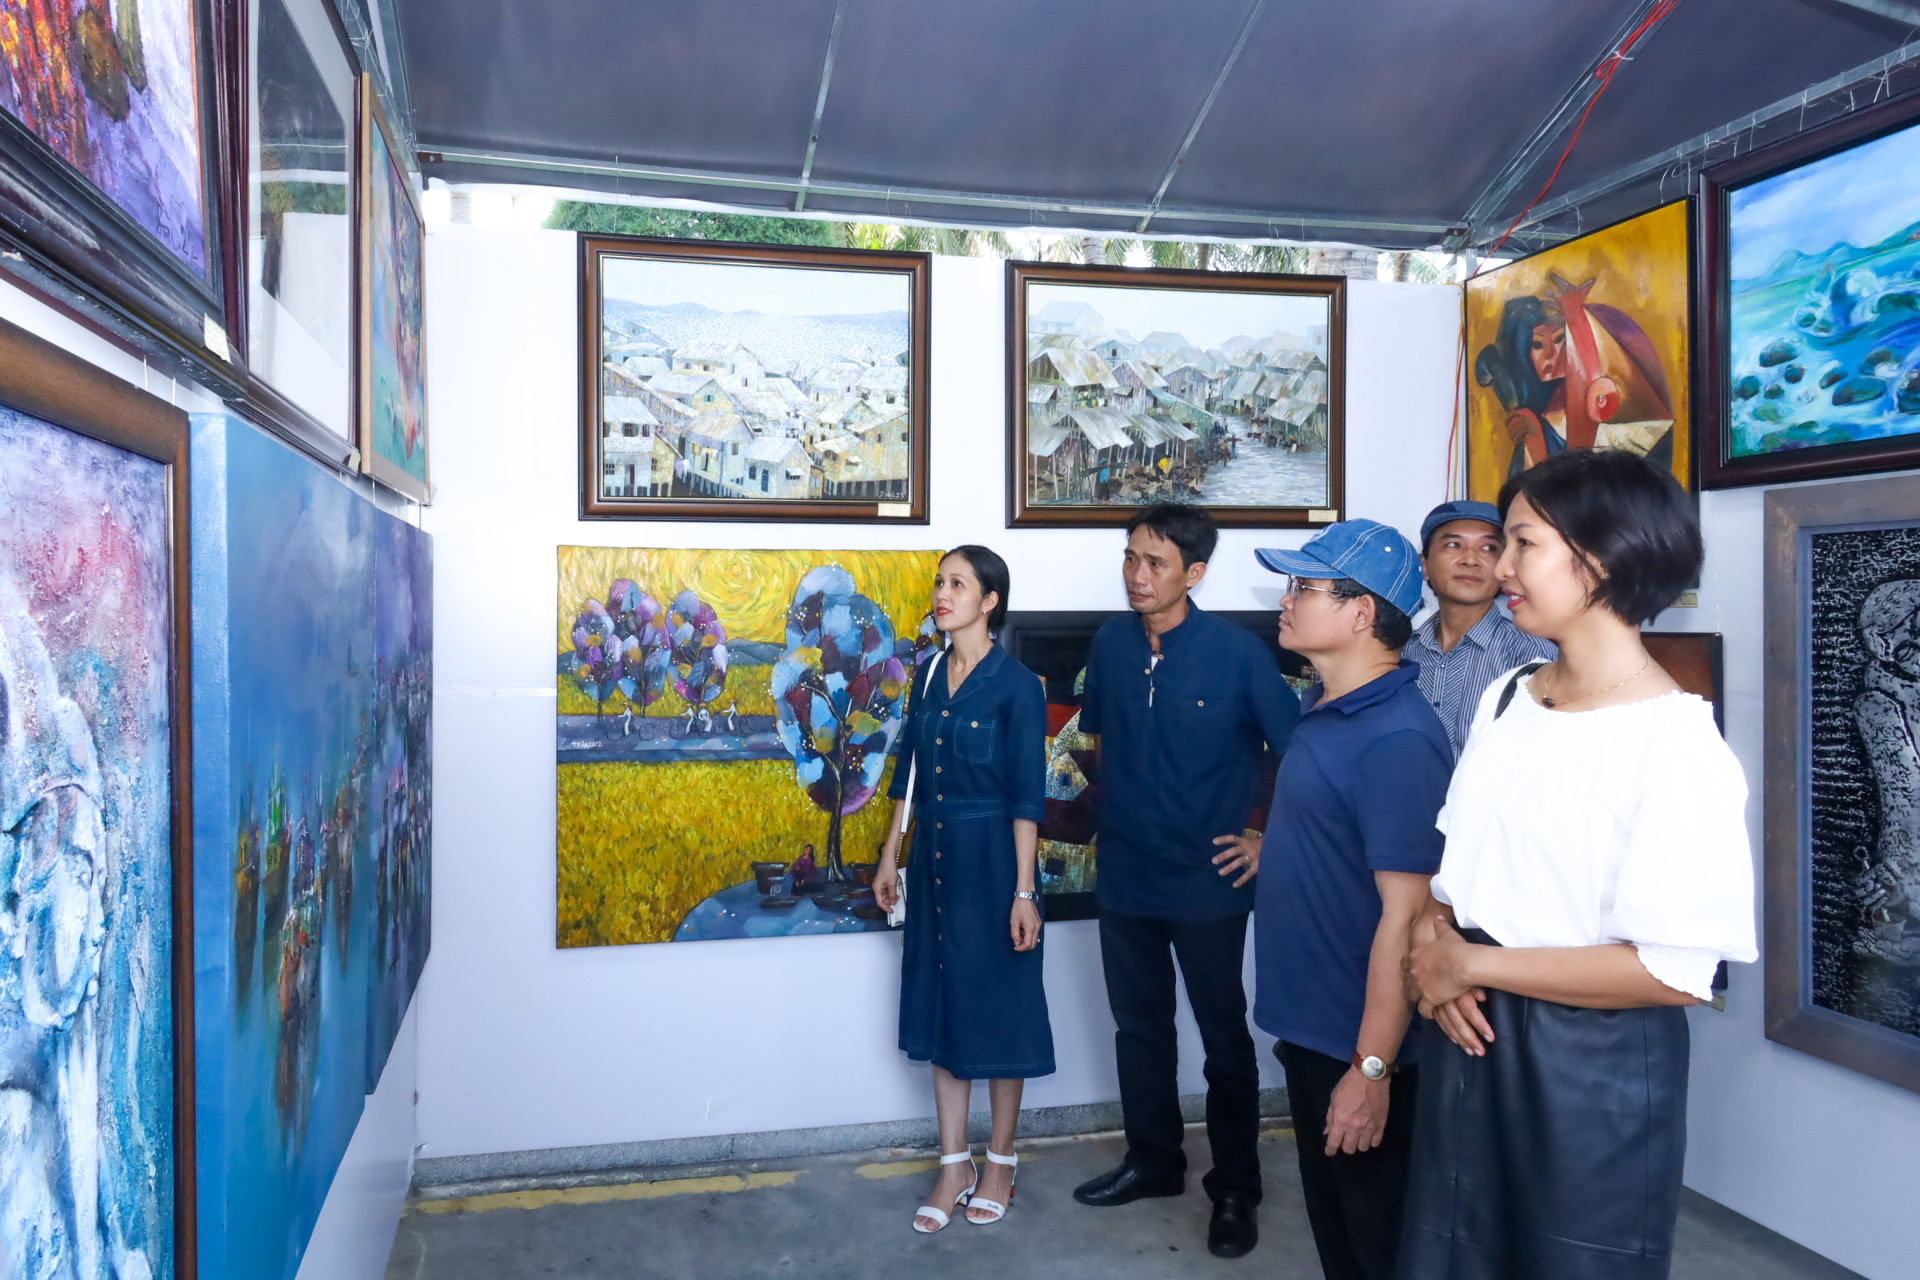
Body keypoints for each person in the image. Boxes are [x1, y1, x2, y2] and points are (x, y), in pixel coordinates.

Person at [1400, 449, 1758, 1278]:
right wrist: (1436, 945)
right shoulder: (1509, 694)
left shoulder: (1675, 744)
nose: (1500, 565)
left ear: (1599, 558)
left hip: (1586, 1064)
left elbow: (1671, 972)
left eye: (1522, 544)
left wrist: (1464, 961)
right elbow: (1458, 866)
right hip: (1469, 1026)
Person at [1071, 504, 1301, 1260]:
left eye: (1157, 563)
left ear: (1194, 573)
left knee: (1224, 1039)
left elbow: (1297, 749)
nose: (1139, 575)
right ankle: (1154, 1161)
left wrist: (1265, 832)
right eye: (1131, 558)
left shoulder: (1238, 654)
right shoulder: (1110, 642)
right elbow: (1097, 739)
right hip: (1127, 875)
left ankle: (1235, 1187)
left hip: (1208, 881)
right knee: (1139, 1030)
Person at [1250, 520, 1453, 1280]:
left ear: (1363, 613)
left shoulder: (1398, 740)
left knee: (1378, 1247)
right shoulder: (1325, 707)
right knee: (1340, 1239)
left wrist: (1372, 1070)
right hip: (1315, 1031)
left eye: (1304, 587)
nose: (1287, 599)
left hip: (1359, 1044)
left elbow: (1410, 920)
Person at [873, 545, 1053, 1233]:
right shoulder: (924, 678)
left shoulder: (1019, 686)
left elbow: (1026, 798)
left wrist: (1024, 891)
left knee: (1001, 1010)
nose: (942, 594)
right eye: (939, 583)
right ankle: (955, 1164)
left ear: (990, 601)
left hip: (994, 865)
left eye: (958, 584)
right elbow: (907, 778)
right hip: (937, 856)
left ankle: (1001, 1160)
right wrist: (893, 855)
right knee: (945, 1006)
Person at [1402, 500, 1557, 758]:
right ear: (1425, 565)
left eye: (1488, 547)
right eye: (1454, 545)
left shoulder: (1534, 656)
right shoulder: (1401, 652)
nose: (1471, 560)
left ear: (1506, 567)